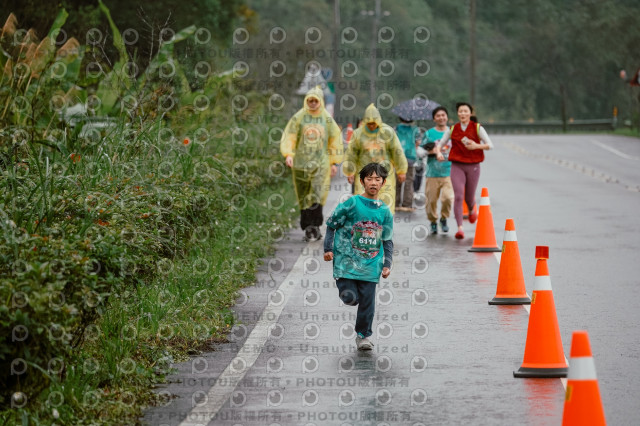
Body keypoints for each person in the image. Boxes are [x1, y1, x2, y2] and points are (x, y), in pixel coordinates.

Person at [323, 163, 394, 351]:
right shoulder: (352, 203)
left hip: (371, 264)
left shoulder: (385, 211)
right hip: (347, 261)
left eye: (377, 179)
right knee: (351, 298)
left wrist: (387, 263)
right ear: (362, 181)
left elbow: (387, 239)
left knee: (368, 300)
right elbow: (332, 223)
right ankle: (348, 293)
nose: (373, 183)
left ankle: (363, 335)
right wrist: (327, 248)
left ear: (383, 182)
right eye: (369, 179)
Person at [281, 85, 344, 241]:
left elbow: (335, 140)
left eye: (316, 101)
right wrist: (289, 154)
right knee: (303, 196)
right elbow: (289, 136)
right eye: (310, 100)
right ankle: (307, 227)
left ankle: (315, 227)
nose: (313, 103)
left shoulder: (327, 120)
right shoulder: (299, 117)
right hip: (301, 164)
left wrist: (334, 163)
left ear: (320, 101)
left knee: (317, 194)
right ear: (306, 101)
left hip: (321, 164)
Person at [434, 102, 494, 239]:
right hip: (457, 165)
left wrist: (476, 146)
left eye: (465, 111)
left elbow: (490, 145)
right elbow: (441, 144)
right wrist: (438, 153)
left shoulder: (477, 128)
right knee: (459, 196)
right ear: (457, 114)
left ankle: (472, 208)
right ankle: (460, 228)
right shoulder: (453, 129)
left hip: (473, 166)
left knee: (469, 197)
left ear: (470, 113)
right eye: (460, 111)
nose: (462, 114)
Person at [343, 103, 408, 215]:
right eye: (369, 123)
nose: (372, 125)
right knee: (363, 204)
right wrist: (350, 171)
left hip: (384, 175)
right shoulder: (358, 134)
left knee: (385, 203)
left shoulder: (387, 132)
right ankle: (364, 229)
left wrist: (401, 170)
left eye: (374, 123)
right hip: (363, 176)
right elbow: (351, 154)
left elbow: (397, 151)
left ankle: (384, 229)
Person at [419, 106, 454, 234]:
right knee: (431, 201)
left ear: (447, 117)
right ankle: (433, 221)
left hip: (449, 172)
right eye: (438, 115)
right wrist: (431, 151)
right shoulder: (429, 134)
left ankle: (444, 218)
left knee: (448, 198)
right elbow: (420, 151)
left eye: (443, 115)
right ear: (434, 118)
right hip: (432, 173)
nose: (441, 117)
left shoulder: (452, 132)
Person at [394, 117, 421, 212]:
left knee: (397, 181)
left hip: (398, 157)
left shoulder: (396, 128)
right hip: (410, 157)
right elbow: (417, 142)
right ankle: (407, 203)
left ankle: (395, 202)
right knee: (409, 181)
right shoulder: (415, 129)